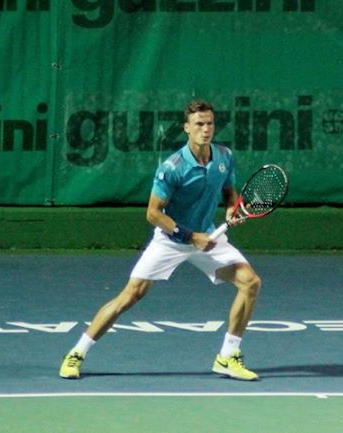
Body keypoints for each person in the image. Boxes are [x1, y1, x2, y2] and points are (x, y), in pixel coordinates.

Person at [59, 99, 262, 381]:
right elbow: (153, 214)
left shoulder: (224, 156)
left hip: (207, 236)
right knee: (130, 296)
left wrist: (231, 209)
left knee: (250, 282)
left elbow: (229, 192)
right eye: (199, 124)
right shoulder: (172, 167)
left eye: (210, 124)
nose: (205, 129)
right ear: (186, 128)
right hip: (171, 240)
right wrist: (191, 237)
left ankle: (227, 356)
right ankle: (77, 353)